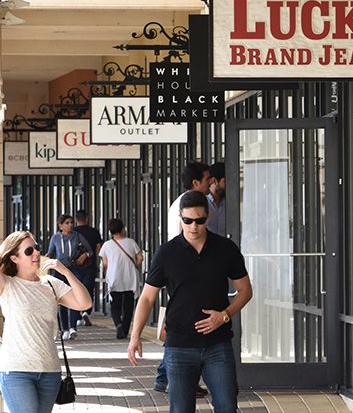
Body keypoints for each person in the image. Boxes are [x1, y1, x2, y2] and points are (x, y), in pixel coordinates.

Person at [129, 191, 249, 413]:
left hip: (218, 344)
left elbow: (245, 291)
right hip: (179, 346)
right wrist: (135, 336)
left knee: (227, 406)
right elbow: (147, 297)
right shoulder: (167, 253)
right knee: (181, 409)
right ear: (180, 218)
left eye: (199, 220)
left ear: (207, 218)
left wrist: (224, 316)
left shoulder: (225, 249)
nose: (194, 226)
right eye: (188, 220)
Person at [0, 230, 96, 413]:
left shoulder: (50, 283)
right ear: (14, 258)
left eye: (36, 248)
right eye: (29, 251)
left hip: (49, 371)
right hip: (16, 371)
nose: (36, 253)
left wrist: (65, 271)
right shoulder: (7, 284)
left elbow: (85, 302)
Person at [156, 161, 216, 396]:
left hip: (184, 267)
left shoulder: (184, 203)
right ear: (195, 182)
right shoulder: (186, 206)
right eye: (207, 178)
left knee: (182, 328)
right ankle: (170, 377)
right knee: (182, 327)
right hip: (182, 269)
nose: (210, 182)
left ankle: (167, 377)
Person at [98, 219, 143, 340]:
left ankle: (118, 325)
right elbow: (140, 258)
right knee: (128, 306)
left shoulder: (107, 245)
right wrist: (133, 264)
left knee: (115, 306)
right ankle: (125, 329)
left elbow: (105, 264)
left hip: (114, 278)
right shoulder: (131, 242)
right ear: (123, 228)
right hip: (130, 277)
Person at [46, 215, 87, 340]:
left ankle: (73, 327)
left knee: (75, 298)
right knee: (62, 300)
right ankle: (64, 329)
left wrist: (84, 255)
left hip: (73, 269)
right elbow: (50, 253)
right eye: (67, 223)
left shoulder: (77, 236)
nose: (70, 225)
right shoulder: (55, 238)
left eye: (71, 222)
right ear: (61, 225)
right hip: (59, 271)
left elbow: (89, 250)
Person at [69, 214, 102, 327]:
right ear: (87, 219)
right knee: (88, 289)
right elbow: (98, 249)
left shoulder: (73, 233)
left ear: (76, 220)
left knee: (76, 289)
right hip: (90, 265)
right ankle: (86, 312)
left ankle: (77, 315)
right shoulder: (94, 231)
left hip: (75, 266)